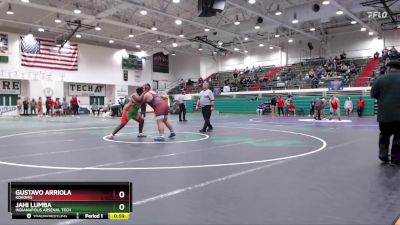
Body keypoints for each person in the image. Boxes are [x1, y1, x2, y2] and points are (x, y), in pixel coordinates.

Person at [371, 60, 400, 165]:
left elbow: (373, 94)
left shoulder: (381, 78)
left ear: (388, 67)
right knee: (398, 136)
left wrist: (383, 98)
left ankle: (383, 155)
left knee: (384, 134)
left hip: (384, 115)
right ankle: (396, 158)